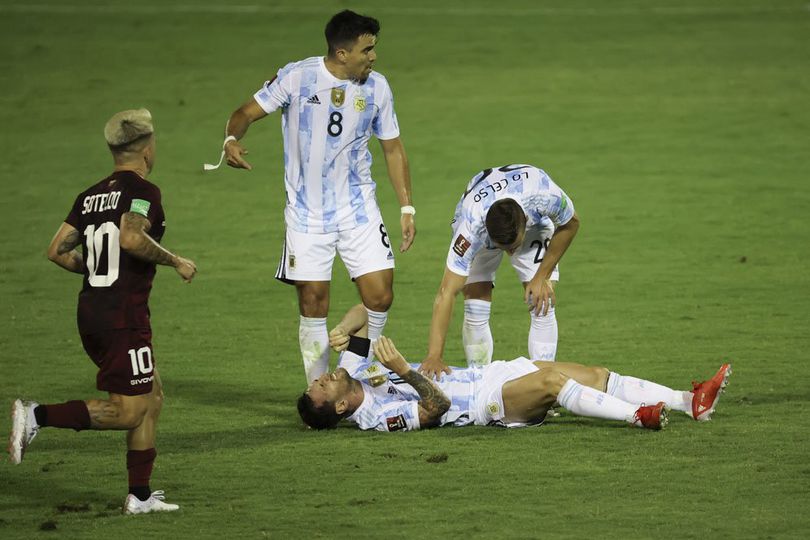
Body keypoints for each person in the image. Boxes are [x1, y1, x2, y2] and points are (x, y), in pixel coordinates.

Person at [8, 109, 197, 514]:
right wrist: (176, 260)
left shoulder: (90, 195)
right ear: (147, 150)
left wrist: (93, 269)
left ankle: (140, 496)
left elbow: (56, 250)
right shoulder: (145, 191)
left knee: (152, 396)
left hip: (94, 310)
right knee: (129, 410)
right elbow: (131, 237)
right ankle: (36, 415)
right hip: (121, 317)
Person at [217, 9, 415, 383]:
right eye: (367, 50)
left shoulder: (378, 88)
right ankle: (318, 391)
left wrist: (406, 206)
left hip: (358, 210)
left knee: (380, 296)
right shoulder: (298, 77)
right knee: (313, 305)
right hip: (307, 216)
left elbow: (392, 149)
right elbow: (244, 112)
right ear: (342, 54)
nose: (373, 57)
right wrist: (231, 139)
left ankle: (357, 370)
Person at [297, 306, 732, 432]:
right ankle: (639, 417)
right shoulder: (375, 416)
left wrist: (343, 328)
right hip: (487, 404)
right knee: (552, 382)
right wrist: (404, 371)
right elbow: (436, 408)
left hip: (490, 375)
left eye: (319, 377)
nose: (323, 377)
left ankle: (689, 402)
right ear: (338, 410)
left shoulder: (350, 372)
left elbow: (363, 311)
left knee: (595, 374)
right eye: (322, 386)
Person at [419, 164, 579, 380]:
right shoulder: (470, 228)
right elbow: (446, 292)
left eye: (513, 246)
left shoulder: (544, 196)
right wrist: (434, 355)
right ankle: (480, 381)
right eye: (504, 248)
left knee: (542, 300)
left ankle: (544, 383)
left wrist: (541, 277)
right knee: (475, 303)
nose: (510, 253)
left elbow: (571, 224)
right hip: (480, 221)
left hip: (534, 227)